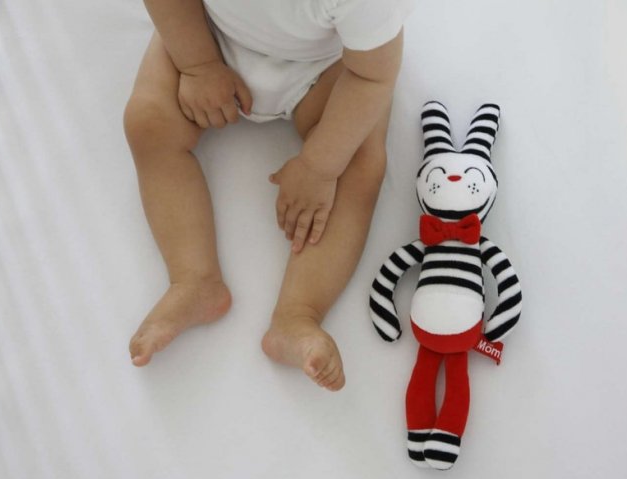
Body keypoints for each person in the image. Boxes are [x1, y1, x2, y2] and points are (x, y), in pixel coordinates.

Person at [123, 0, 412, 391]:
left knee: (358, 161)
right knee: (149, 122)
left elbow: (372, 76)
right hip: (207, 34)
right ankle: (192, 281)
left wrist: (320, 166)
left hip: (329, 66)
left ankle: (298, 315)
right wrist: (197, 65)